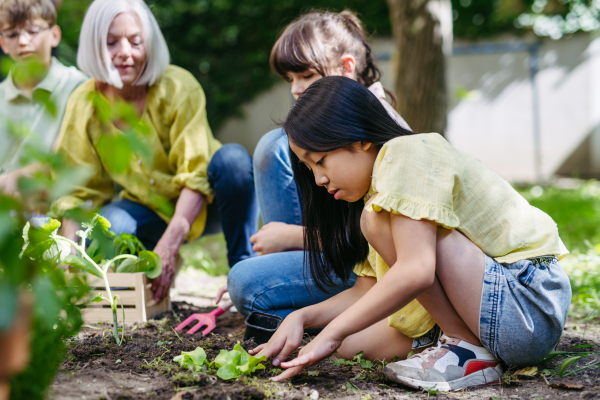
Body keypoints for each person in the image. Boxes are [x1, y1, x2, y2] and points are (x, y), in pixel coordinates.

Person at [250, 76, 572, 392]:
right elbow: (366, 291)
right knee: (349, 346)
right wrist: (302, 318)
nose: (319, 179)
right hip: (493, 307)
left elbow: (416, 271)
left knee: (373, 227)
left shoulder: (405, 154)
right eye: (309, 169)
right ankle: (458, 345)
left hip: (526, 303)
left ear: (359, 138)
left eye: (320, 161)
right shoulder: (377, 194)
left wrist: (330, 332)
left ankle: (466, 349)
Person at [226, 13, 438, 353]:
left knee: (248, 282)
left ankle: (322, 315)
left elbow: (384, 244)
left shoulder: (384, 143)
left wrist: (294, 237)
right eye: (290, 78)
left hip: (375, 271)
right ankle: (307, 311)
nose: (295, 88)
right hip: (352, 265)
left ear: (347, 67)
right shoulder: (340, 138)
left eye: (306, 75)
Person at [52, 0, 257, 303]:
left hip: (209, 199)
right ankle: (150, 276)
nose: (125, 52)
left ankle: (245, 274)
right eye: (111, 42)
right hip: (149, 207)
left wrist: (169, 246)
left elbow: (196, 173)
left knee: (234, 161)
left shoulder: (177, 86)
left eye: (135, 41)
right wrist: (71, 255)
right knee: (104, 231)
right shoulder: (85, 103)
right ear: (93, 46)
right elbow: (74, 189)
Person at [0, 0, 87, 195]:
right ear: (3, 44)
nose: (23, 41)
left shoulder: (78, 87)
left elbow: (60, 166)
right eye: (13, 34)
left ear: (54, 35)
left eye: (32, 31)